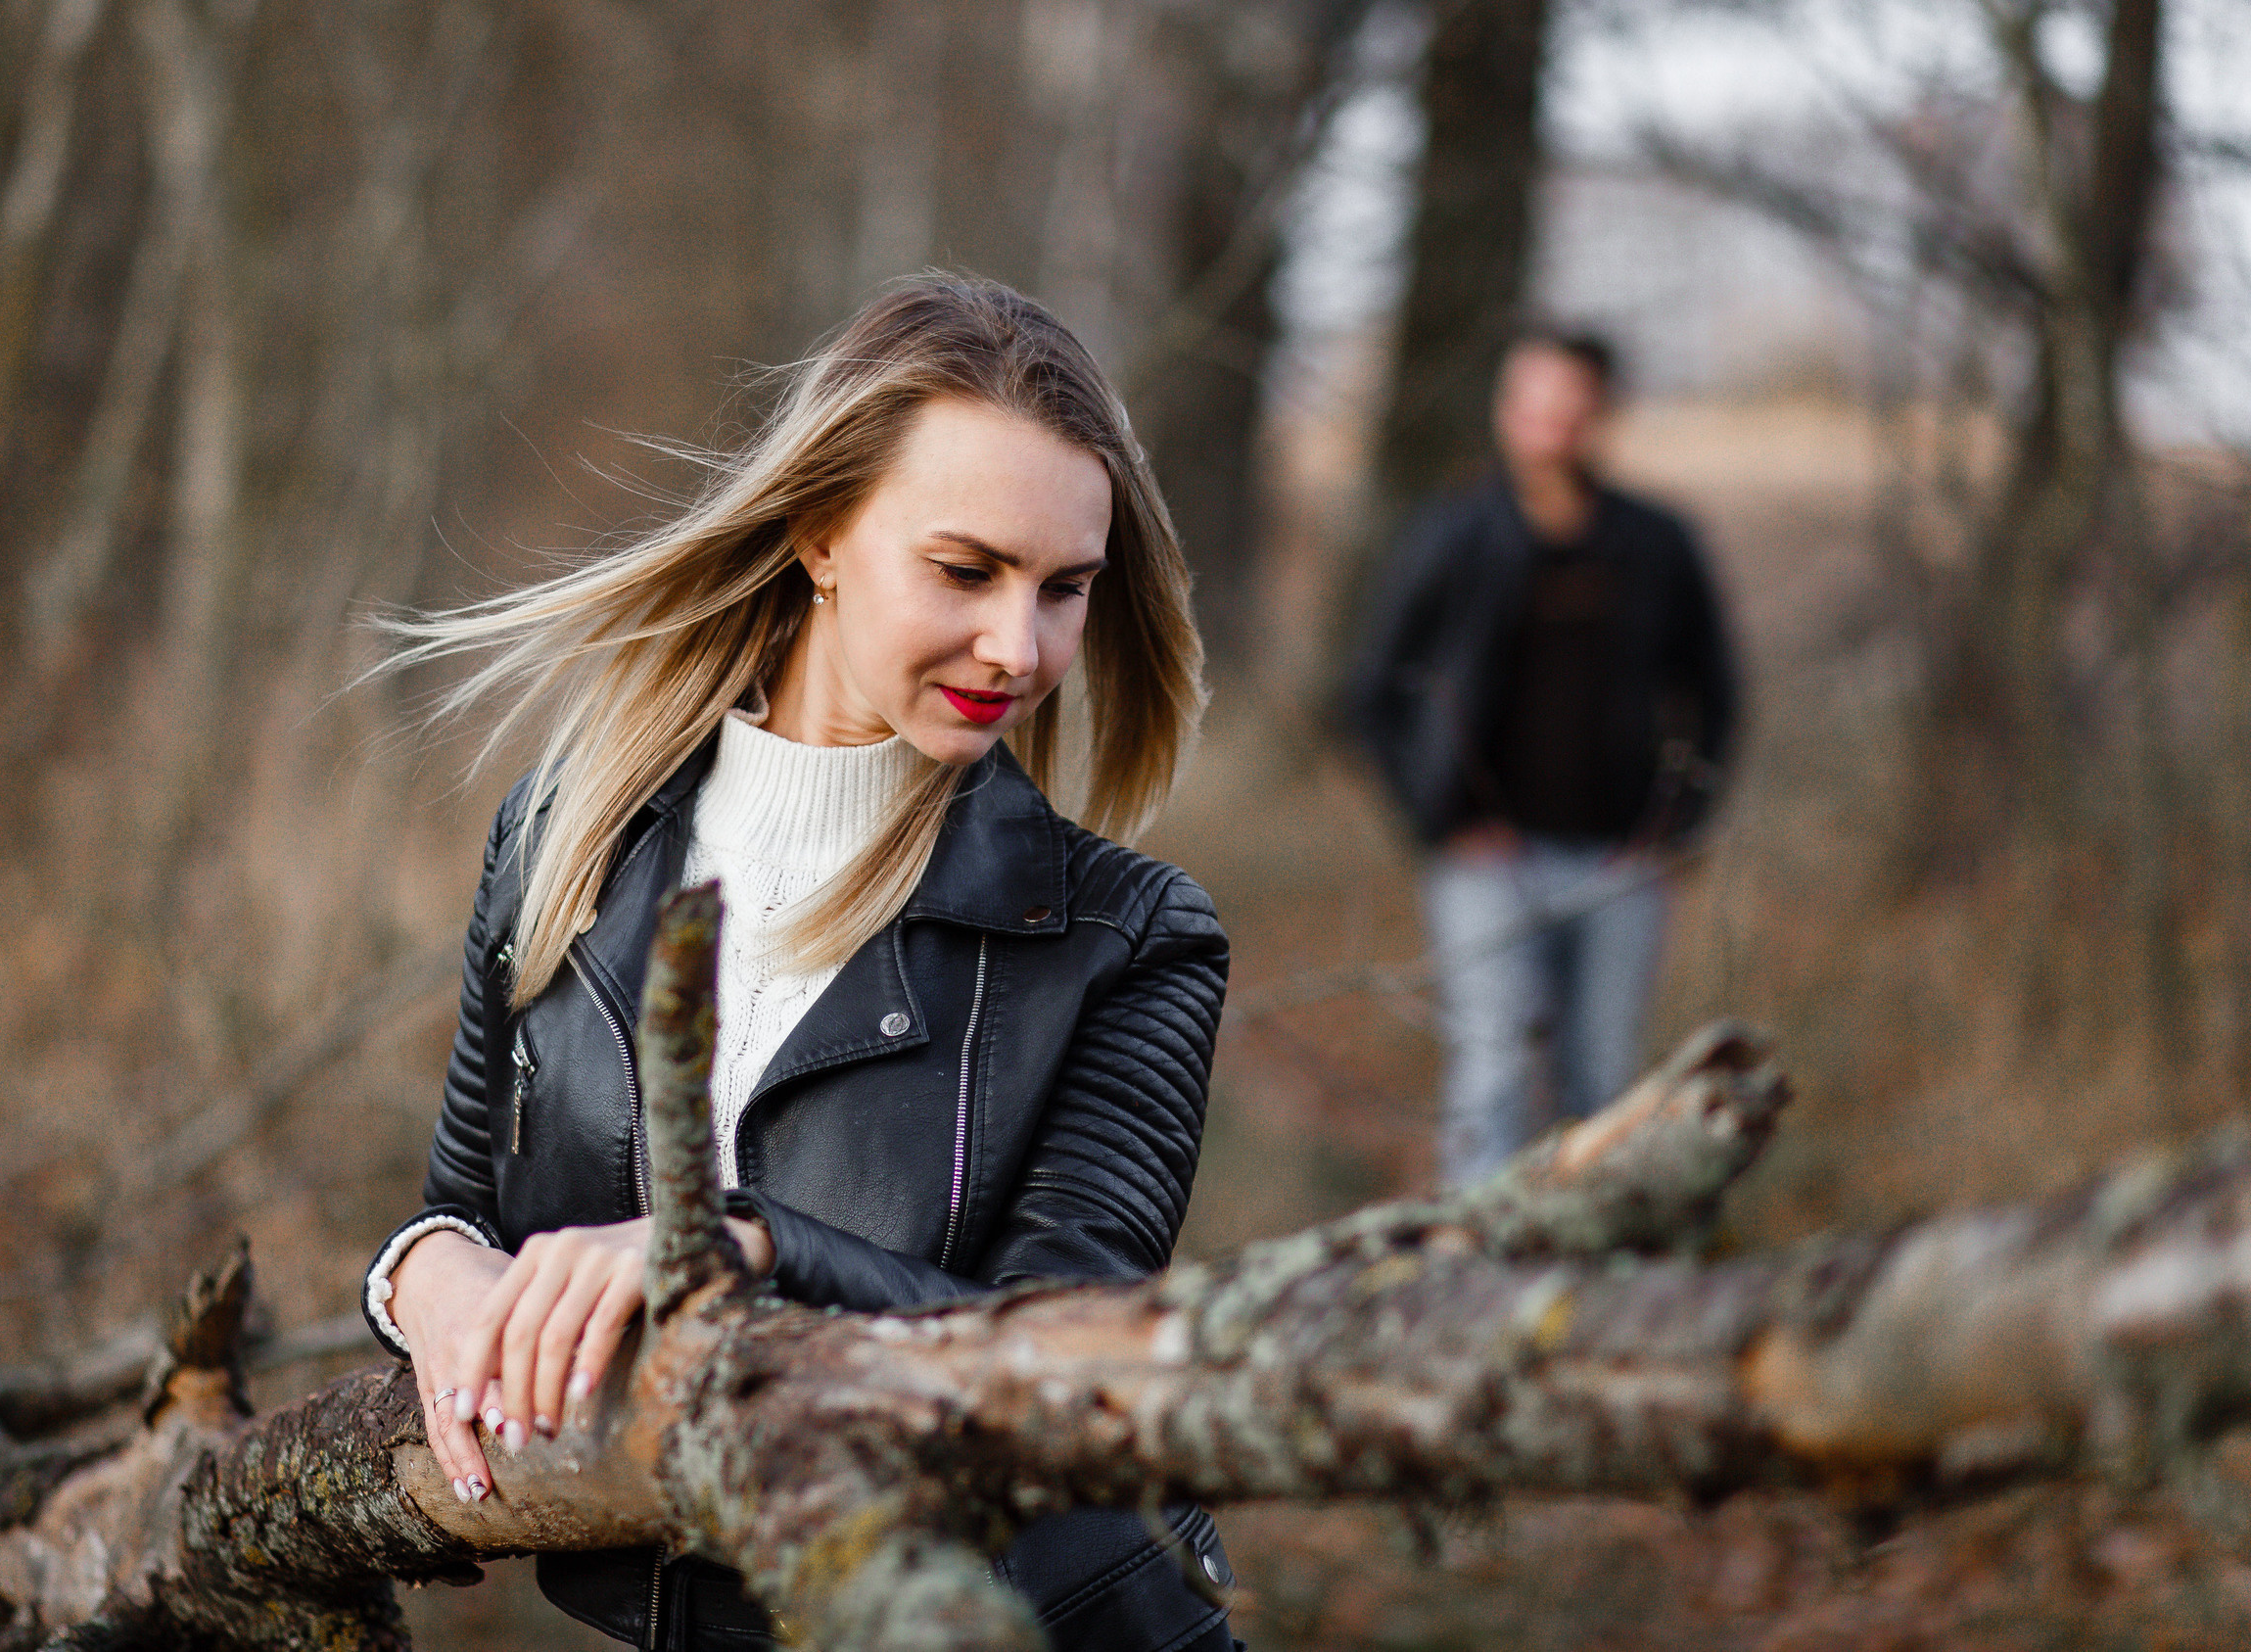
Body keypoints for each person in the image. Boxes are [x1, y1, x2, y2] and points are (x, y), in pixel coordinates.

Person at [358, 277, 1240, 1651]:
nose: (1020, 645)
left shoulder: (1128, 938)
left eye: (1065, 588)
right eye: (967, 570)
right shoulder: (561, 835)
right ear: (821, 534)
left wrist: (749, 1248)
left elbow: (1065, 1353)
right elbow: (464, 1204)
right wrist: (426, 1280)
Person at [1344, 328, 1738, 1191]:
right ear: (1507, 411)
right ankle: (1474, 1283)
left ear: (1602, 414)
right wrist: (1439, 820)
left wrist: (1675, 829)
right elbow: (1371, 692)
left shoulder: (1656, 544)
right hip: (1488, 862)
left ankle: (1592, 1278)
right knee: (1494, 1075)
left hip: (1620, 862)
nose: (1553, 427)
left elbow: (1716, 693)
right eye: (1535, 405)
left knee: (1604, 1082)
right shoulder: (1454, 536)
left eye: (1573, 407)